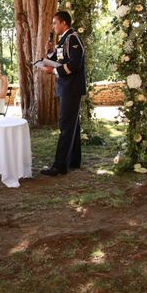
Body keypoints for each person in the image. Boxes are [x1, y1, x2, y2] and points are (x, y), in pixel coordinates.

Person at [40, 11, 86, 176]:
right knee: (73, 124)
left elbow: (75, 64)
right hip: (66, 87)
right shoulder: (64, 40)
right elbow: (61, 60)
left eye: (55, 23)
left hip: (71, 88)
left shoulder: (72, 38)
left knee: (65, 126)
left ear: (64, 23)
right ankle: (74, 160)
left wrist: (53, 71)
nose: (53, 26)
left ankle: (59, 166)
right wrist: (50, 52)